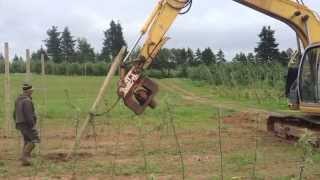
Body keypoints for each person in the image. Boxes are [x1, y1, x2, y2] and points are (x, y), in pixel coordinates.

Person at [13, 84, 40, 166]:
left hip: (20, 123)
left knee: (27, 140)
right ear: (28, 91)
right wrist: (32, 124)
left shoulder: (18, 100)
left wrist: (17, 121)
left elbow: (14, 113)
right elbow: (29, 115)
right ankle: (24, 158)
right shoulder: (27, 101)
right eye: (31, 90)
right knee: (34, 140)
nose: (32, 91)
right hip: (27, 124)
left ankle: (26, 158)